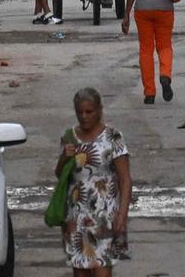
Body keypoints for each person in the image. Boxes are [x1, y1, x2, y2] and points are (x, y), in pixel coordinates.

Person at [58, 88, 132, 276]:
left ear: (100, 110)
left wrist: (122, 215)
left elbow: (125, 179)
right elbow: (60, 175)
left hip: (105, 216)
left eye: (89, 111)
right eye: (79, 112)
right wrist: (65, 158)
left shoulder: (113, 138)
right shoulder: (69, 137)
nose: (84, 117)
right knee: (80, 271)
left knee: (102, 271)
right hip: (76, 216)